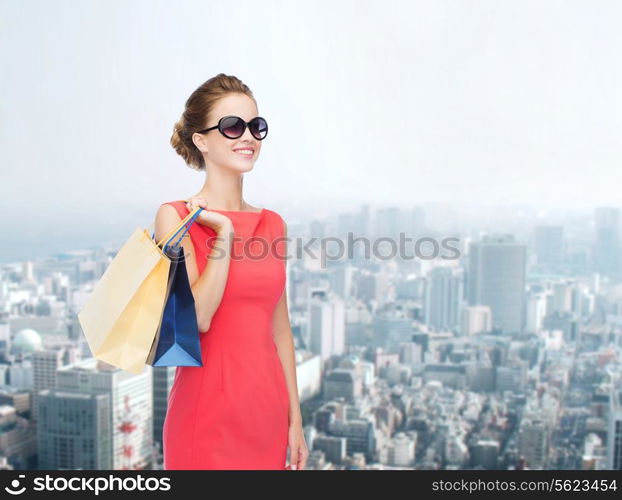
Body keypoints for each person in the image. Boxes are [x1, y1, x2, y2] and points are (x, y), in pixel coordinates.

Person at [155, 73, 308, 470]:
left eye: (256, 126)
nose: (249, 137)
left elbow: (280, 330)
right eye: (232, 126)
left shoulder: (275, 224)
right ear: (201, 140)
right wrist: (222, 234)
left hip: (267, 413)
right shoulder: (175, 216)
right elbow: (199, 317)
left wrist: (296, 419)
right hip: (205, 415)